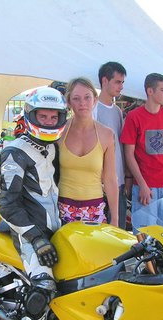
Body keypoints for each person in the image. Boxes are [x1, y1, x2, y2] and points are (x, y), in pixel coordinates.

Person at [0, 86, 68, 320]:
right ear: (31, 116)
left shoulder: (51, 147)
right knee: (43, 289)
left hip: (56, 227)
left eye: (54, 117)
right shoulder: (15, 152)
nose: (50, 122)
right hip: (27, 231)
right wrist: (37, 239)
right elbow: (7, 206)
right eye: (44, 116)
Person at [121, 73, 163, 230]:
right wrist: (142, 184)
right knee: (145, 234)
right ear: (150, 91)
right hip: (146, 186)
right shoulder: (134, 117)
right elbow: (129, 154)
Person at [58, 78, 118, 225]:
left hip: (95, 210)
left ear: (95, 100)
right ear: (69, 102)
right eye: (76, 98)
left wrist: (115, 219)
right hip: (62, 209)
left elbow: (110, 179)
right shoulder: (59, 132)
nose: (82, 103)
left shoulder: (106, 135)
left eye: (87, 97)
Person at [94, 61, 128, 228]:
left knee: (118, 231)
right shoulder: (93, 109)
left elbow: (120, 147)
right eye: (117, 82)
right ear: (104, 81)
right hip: (100, 185)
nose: (121, 87)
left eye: (122, 82)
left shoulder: (117, 111)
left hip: (118, 182)